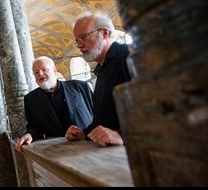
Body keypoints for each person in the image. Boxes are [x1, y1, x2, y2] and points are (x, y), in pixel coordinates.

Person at [65, 10, 131, 147]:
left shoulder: (129, 55)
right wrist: (84, 134)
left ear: (105, 33)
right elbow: (102, 122)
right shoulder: (101, 70)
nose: (79, 45)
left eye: (83, 37)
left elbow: (160, 107)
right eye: (77, 41)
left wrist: (123, 136)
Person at [15, 56, 94, 152]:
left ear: (54, 70)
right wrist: (29, 134)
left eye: (44, 69)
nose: (40, 74)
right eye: (36, 72)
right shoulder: (30, 99)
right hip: (58, 151)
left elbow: (97, 112)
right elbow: (34, 127)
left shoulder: (80, 87)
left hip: (90, 144)